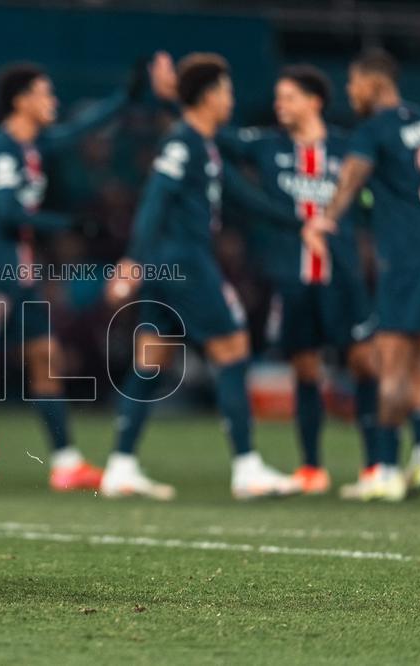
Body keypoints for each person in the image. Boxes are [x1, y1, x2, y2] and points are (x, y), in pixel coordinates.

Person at [0, 56, 170, 492]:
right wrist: (68, 225)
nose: (53, 100)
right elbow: (7, 211)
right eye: (45, 93)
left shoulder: (31, 145)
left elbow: (77, 133)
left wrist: (124, 99)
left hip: (22, 271)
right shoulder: (1, 147)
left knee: (46, 359)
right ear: (21, 100)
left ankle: (66, 462)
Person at [103, 53, 298, 500]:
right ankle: (247, 468)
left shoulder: (202, 144)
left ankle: (120, 466)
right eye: (226, 90)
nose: (232, 98)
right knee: (233, 349)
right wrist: (132, 259)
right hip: (185, 265)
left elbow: (243, 196)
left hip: (165, 266)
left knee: (151, 361)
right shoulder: (183, 143)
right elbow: (155, 198)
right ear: (209, 96)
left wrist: (299, 222)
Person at [309, 49, 420, 501]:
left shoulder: (374, 129)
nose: (350, 92)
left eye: (354, 84)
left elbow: (351, 179)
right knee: (417, 357)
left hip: (406, 258)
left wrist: (327, 219)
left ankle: (383, 470)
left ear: (374, 83)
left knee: (391, 360)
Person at [217, 65, 379, 495]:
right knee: (305, 369)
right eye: (278, 98)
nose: (279, 105)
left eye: (288, 97)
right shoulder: (267, 146)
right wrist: (176, 98)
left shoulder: (349, 148)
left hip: (342, 275)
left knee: (364, 363)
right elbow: (212, 135)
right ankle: (312, 468)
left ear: (315, 101)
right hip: (292, 276)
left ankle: (376, 466)